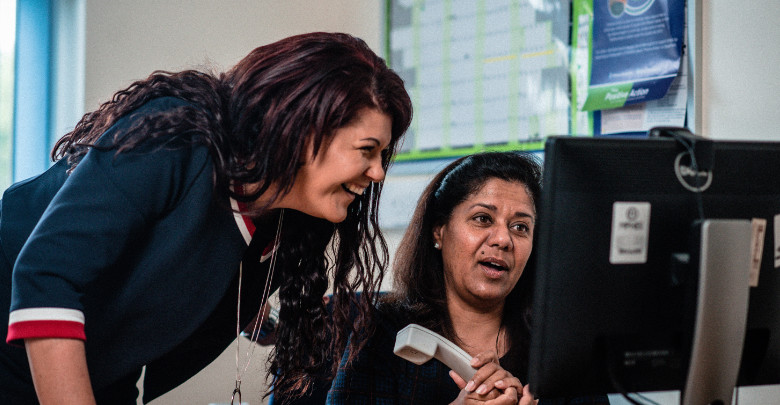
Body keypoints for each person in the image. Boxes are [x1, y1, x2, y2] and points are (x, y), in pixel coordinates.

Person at [0, 32, 412, 405]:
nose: (377, 172)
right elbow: (46, 277)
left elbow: (191, 261)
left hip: (105, 365)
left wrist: (253, 315)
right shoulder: (176, 141)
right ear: (304, 130)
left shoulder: (291, 220)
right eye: (366, 149)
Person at [326, 152, 611, 404]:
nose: (503, 239)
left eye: (520, 227)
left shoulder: (562, 350)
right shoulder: (382, 334)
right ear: (439, 230)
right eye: (483, 219)